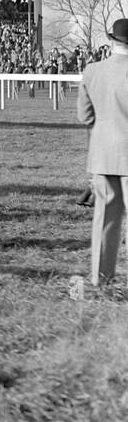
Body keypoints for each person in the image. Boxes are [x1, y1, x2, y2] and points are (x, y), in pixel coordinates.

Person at [76, 18, 128, 287]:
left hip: (102, 155)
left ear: (112, 41)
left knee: (105, 220)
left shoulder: (92, 71)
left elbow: (85, 116)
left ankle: (100, 279)